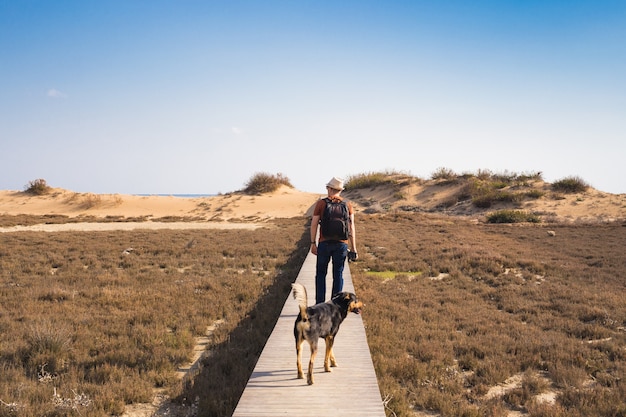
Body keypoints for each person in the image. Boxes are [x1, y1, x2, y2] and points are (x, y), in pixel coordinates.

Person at [310, 177, 357, 304]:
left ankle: (320, 304)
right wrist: (353, 248)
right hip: (341, 244)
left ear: (330, 189)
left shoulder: (321, 203)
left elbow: (314, 224)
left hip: (324, 243)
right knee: (338, 274)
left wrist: (313, 243)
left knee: (321, 274)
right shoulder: (347, 204)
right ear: (340, 190)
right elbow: (351, 226)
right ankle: (335, 305)